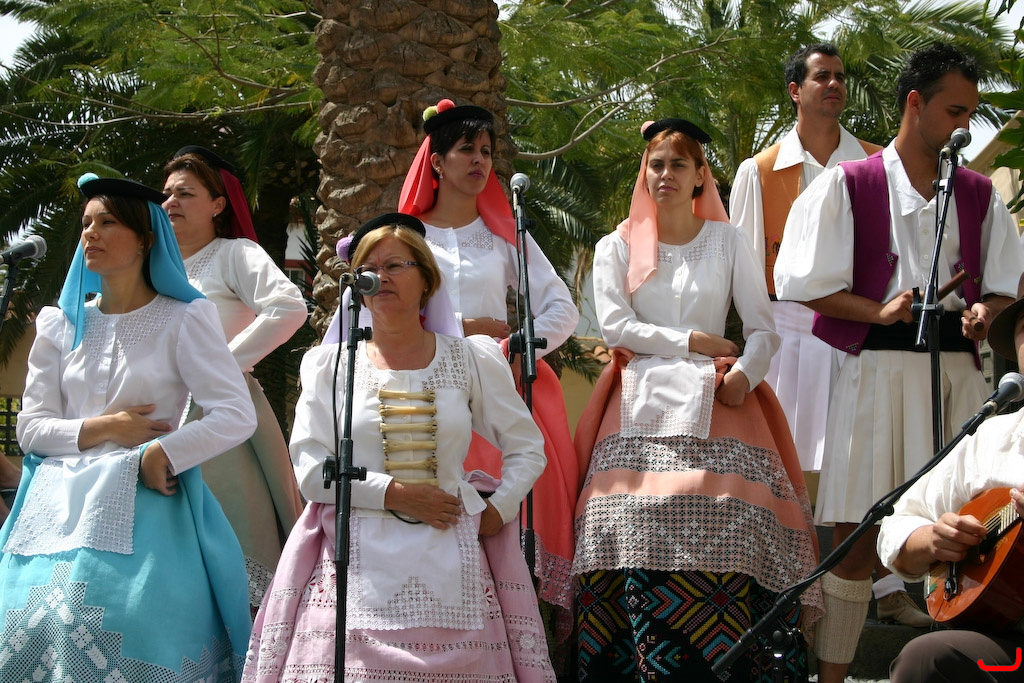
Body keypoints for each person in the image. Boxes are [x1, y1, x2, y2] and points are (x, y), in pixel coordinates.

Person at [774, 42, 1024, 683]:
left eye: (970, 113)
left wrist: (985, 311)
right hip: (876, 373)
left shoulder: (979, 194)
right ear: (916, 103)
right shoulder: (849, 184)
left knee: (969, 525)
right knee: (857, 536)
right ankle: (832, 678)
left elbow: (1005, 287)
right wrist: (877, 310)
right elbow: (798, 282)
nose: (965, 126)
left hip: (957, 376)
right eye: (954, 111)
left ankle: (952, 658)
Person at [242, 214, 555, 682]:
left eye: (394, 265)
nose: (380, 276)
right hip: (352, 553)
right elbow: (311, 470)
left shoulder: (470, 357)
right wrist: (396, 494)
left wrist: (499, 508)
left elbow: (527, 447)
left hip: (453, 552)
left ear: (426, 279)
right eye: (369, 269)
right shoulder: (329, 364)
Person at [573, 119, 822, 681]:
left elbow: (762, 329)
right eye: (656, 165)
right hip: (637, 391)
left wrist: (746, 375)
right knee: (621, 516)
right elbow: (615, 327)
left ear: (700, 175)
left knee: (744, 517)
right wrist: (693, 342)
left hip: (721, 393)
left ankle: (737, 656)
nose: (665, 175)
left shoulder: (729, 242)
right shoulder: (616, 246)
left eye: (678, 165)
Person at [0, 173, 256, 680]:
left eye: (108, 222)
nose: (90, 233)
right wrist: (107, 427)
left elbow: (235, 413)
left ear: (145, 238)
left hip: (146, 502)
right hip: (52, 506)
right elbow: (30, 429)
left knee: (136, 634)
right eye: (86, 223)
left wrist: (162, 452)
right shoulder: (60, 324)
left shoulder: (185, 317)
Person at [731, 44, 929, 629]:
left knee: (870, 461)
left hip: (861, 328)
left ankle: (886, 589)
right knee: (785, 468)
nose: (835, 84)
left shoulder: (876, 163)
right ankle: (783, 591)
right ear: (796, 89)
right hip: (785, 334)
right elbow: (746, 271)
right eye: (822, 76)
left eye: (841, 76)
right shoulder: (759, 171)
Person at [398, 98, 580, 639]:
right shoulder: (408, 238)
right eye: (466, 149)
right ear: (436, 161)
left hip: (499, 386)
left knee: (515, 522)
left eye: (486, 150)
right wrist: (461, 328)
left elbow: (562, 308)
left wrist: (520, 347)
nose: (479, 160)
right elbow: (387, 311)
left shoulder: (507, 235)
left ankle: (515, 637)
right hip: (424, 391)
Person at [163, 146, 307, 611]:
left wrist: (218, 370)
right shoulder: (151, 269)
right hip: (159, 418)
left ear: (218, 204)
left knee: (234, 538)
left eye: (186, 193)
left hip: (220, 416)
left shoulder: (234, 254)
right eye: (167, 193)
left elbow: (289, 308)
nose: (171, 202)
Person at [878, 283, 1024, 683]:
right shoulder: (992, 438)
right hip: (1009, 641)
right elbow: (896, 524)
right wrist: (931, 541)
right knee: (926, 660)